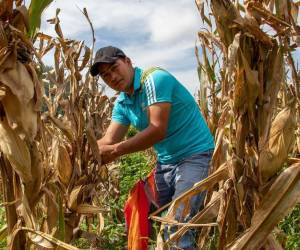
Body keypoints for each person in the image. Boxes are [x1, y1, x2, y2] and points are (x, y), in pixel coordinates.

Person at [90, 46, 214, 249]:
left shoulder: (155, 80)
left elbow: (157, 130)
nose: (112, 77)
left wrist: (114, 151)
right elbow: (109, 139)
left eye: (114, 68)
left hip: (195, 155)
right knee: (143, 211)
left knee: (176, 227)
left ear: (128, 61)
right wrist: (79, 152)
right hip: (166, 164)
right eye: (105, 75)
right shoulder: (123, 102)